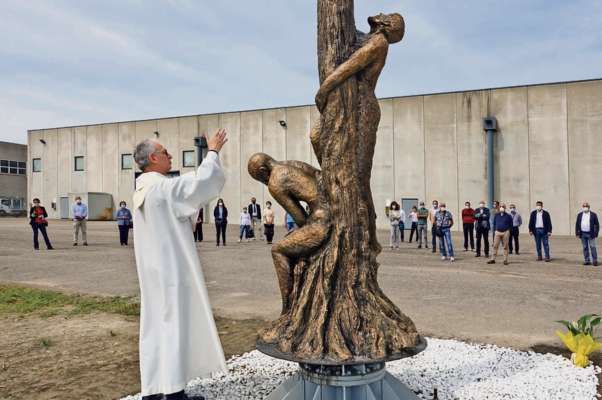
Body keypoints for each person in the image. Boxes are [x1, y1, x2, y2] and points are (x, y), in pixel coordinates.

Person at [131, 129, 227, 400]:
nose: (170, 155)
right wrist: (213, 151)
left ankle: (153, 391)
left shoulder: (143, 188)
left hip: (152, 273)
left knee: (154, 328)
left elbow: (183, 208)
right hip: (171, 270)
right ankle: (174, 393)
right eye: (165, 152)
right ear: (153, 157)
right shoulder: (161, 187)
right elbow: (202, 182)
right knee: (173, 325)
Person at [575, 202, 599, 266]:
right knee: (585, 247)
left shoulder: (593, 215)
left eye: (586, 206)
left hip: (591, 234)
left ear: (588, 207)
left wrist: (596, 233)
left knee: (592, 247)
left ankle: (595, 261)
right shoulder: (579, 215)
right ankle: (587, 260)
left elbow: (597, 225)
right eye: (583, 206)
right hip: (582, 234)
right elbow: (577, 224)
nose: (584, 208)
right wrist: (577, 233)